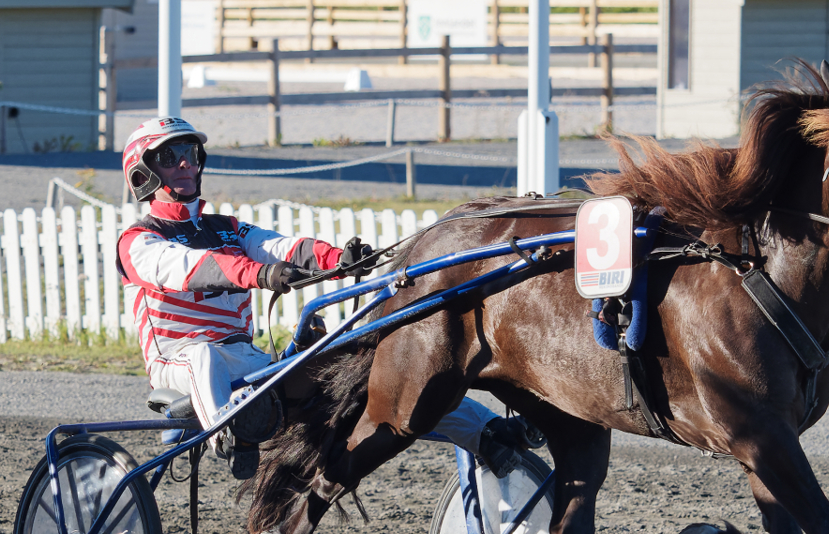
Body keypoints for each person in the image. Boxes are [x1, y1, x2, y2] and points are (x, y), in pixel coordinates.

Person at [115, 115, 532, 480]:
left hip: (245, 360)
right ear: (143, 175)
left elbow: (282, 247)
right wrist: (260, 275)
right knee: (202, 356)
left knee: (375, 375)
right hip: (178, 360)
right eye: (170, 157)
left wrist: (342, 259)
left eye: (189, 151)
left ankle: (490, 432)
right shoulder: (138, 241)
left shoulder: (227, 227)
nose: (185, 162)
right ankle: (233, 437)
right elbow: (195, 269)